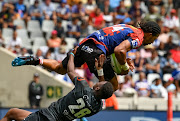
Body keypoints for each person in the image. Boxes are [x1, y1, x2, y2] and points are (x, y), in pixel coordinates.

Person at [12, 21, 161, 91]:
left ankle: (36, 59)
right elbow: (119, 50)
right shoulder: (139, 36)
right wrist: (123, 66)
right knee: (113, 86)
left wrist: (123, 58)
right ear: (149, 34)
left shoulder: (129, 27)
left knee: (61, 68)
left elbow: (116, 46)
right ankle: (85, 103)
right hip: (97, 50)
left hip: (85, 44)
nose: (151, 42)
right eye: (153, 39)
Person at [1, 48, 114, 121]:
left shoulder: (83, 87)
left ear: (98, 89)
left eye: (100, 83)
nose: (99, 82)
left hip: (45, 118)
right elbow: (102, 92)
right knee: (13, 113)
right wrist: (100, 72)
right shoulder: (97, 107)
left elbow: (70, 71)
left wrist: (71, 55)